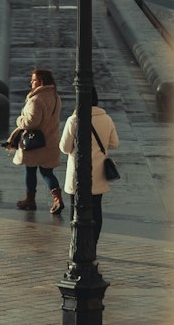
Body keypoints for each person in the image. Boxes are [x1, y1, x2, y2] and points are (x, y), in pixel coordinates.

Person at [59, 88, 120, 248]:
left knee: (76, 208)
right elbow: (114, 143)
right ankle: (93, 243)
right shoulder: (106, 119)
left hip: (78, 173)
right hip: (99, 173)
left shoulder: (74, 120)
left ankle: (78, 243)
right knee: (96, 209)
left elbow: (65, 147)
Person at [11, 66, 65, 215]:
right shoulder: (55, 97)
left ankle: (30, 200)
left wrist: (19, 120)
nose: (31, 82)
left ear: (40, 82)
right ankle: (57, 199)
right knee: (47, 172)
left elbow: (30, 123)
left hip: (35, 143)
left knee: (30, 169)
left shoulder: (36, 99)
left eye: (33, 80)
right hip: (51, 140)